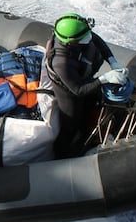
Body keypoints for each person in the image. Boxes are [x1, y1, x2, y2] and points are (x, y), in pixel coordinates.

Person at [41, 12, 129, 158]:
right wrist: (105, 78)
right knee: (70, 125)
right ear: (71, 42)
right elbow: (78, 90)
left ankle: (89, 131)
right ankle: (61, 156)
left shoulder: (77, 36)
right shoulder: (61, 62)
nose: (90, 36)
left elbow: (95, 39)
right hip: (68, 92)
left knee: (92, 103)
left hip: (83, 79)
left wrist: (112, 61)